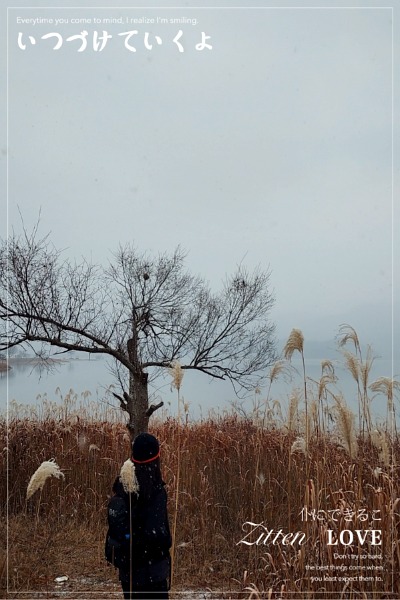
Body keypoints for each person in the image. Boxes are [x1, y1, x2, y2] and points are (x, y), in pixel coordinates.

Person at [106, 433, 172, 599]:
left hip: (128, 573)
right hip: (152, 575)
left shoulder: (123, 484)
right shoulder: (155, 491)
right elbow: (158, 537)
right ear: (156, 458)